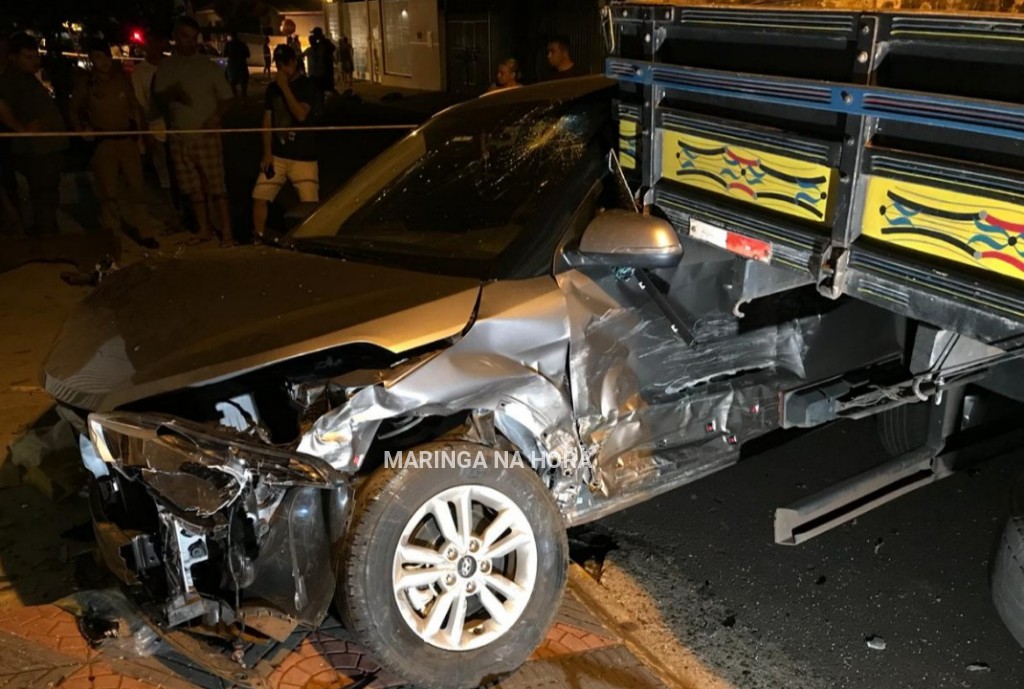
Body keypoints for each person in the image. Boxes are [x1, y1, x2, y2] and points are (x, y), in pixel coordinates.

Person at [69, 39, 160, 249]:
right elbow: (74, 110)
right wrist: (82, 129)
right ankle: (113, 236)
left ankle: (145, 232)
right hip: (103, 143)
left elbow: (134, 107)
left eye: (106, 56)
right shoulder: (87, 84)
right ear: (92, 60)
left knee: (137, 188)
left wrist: (140, 137)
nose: (104, 62)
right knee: (108, 193)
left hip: (127, 141)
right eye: (98, 57)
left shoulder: (121, 79)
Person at [154, 16, 234, 246]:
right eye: (185, 37)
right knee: (192, 189)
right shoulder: (167, 66)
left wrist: (216, 116)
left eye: (193, 37)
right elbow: (159, 96)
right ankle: (203, 229)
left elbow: (227, 98)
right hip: (180, 136)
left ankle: (226, 233)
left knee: (217, 187)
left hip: (206, 136)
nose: (190, 42)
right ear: (176, 37)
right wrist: (173, 93)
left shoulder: (207, 66)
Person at [0, 32, 69, 236]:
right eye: (28, 56)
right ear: (14, 57)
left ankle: (46, 234)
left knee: (48, 195)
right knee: (43, 195)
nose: (35, 60)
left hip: (47, 148)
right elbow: (1, 105)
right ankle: (46, 238)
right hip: (36, 151)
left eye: (36, 56)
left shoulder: (28, 78)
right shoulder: (12, 78)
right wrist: (21, 130)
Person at [251, 44, 321, 243]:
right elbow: (267, 120)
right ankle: (259, 236)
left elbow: (300, 114)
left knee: (309, 203)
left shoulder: (307, 85)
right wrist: (267, 152)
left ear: (295, 62)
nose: (283, 69)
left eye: (286, 64)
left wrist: (285, 87)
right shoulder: (272, 89)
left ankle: (311, 240)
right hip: (278, 155)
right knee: (259, 195)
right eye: (279, 64)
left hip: (303, 156)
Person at [130, 33, 172, 190]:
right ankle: (171, 206)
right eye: (150, 43)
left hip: (178, 126)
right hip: (156, 129)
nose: (154, 47)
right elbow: (140, 105)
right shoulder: (139, 72)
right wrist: (145, 136)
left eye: (158, 42)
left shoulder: (172, 65)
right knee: (164, 172)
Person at [307, 27, 335, 93]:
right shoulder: (321, 43)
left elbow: (331, 49)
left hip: (325, 70)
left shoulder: (323, 43)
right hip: (324, 69)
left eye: (314, 34)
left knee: (324, 89)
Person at [224, 32, 251, 99]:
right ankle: (244, 100)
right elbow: (248, 54)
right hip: (242, 66)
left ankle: (235, 99)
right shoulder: (242, 44)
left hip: (232, 67)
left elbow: (224, 54)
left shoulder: (228, 45)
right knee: (243, 85)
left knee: (232, 84)